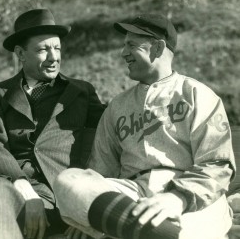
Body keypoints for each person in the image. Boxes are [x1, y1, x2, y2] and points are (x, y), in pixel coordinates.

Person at [53, 13, 236, 239]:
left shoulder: (198, 95)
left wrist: (176, 198)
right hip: (134, 196)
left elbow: (217, 165)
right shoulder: (116, 107)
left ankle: (145, 230)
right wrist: (88, 210)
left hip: (191, 197)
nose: (123, 53)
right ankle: (151, 231)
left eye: (131, 45)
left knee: (192, 226)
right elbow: (99, 173)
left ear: (158, 49)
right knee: (68, 181)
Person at [0, 8, 105, 239]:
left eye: (57, 48)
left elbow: (112, 129)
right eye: (43, 49)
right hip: (16, 192)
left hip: (64, 197)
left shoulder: (81, 92)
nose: (53, 57)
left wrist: (88, 205)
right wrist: (25, 190)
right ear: (20, 53)